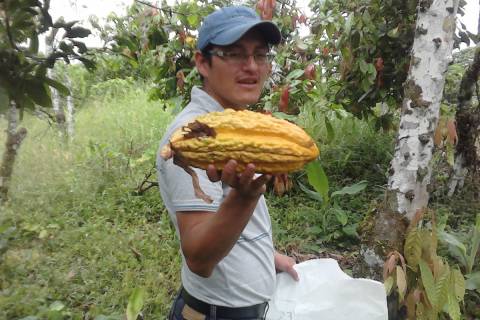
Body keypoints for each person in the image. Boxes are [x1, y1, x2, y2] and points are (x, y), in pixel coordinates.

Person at [157, 6, 299, 320]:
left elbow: (227, 223)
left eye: (260, 54)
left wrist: (266, 255)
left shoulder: (235, 126)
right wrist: (244, 197)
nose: (251, 67)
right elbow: (199, 258)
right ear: (202, 63)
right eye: (234, 54)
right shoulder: (195, 137)